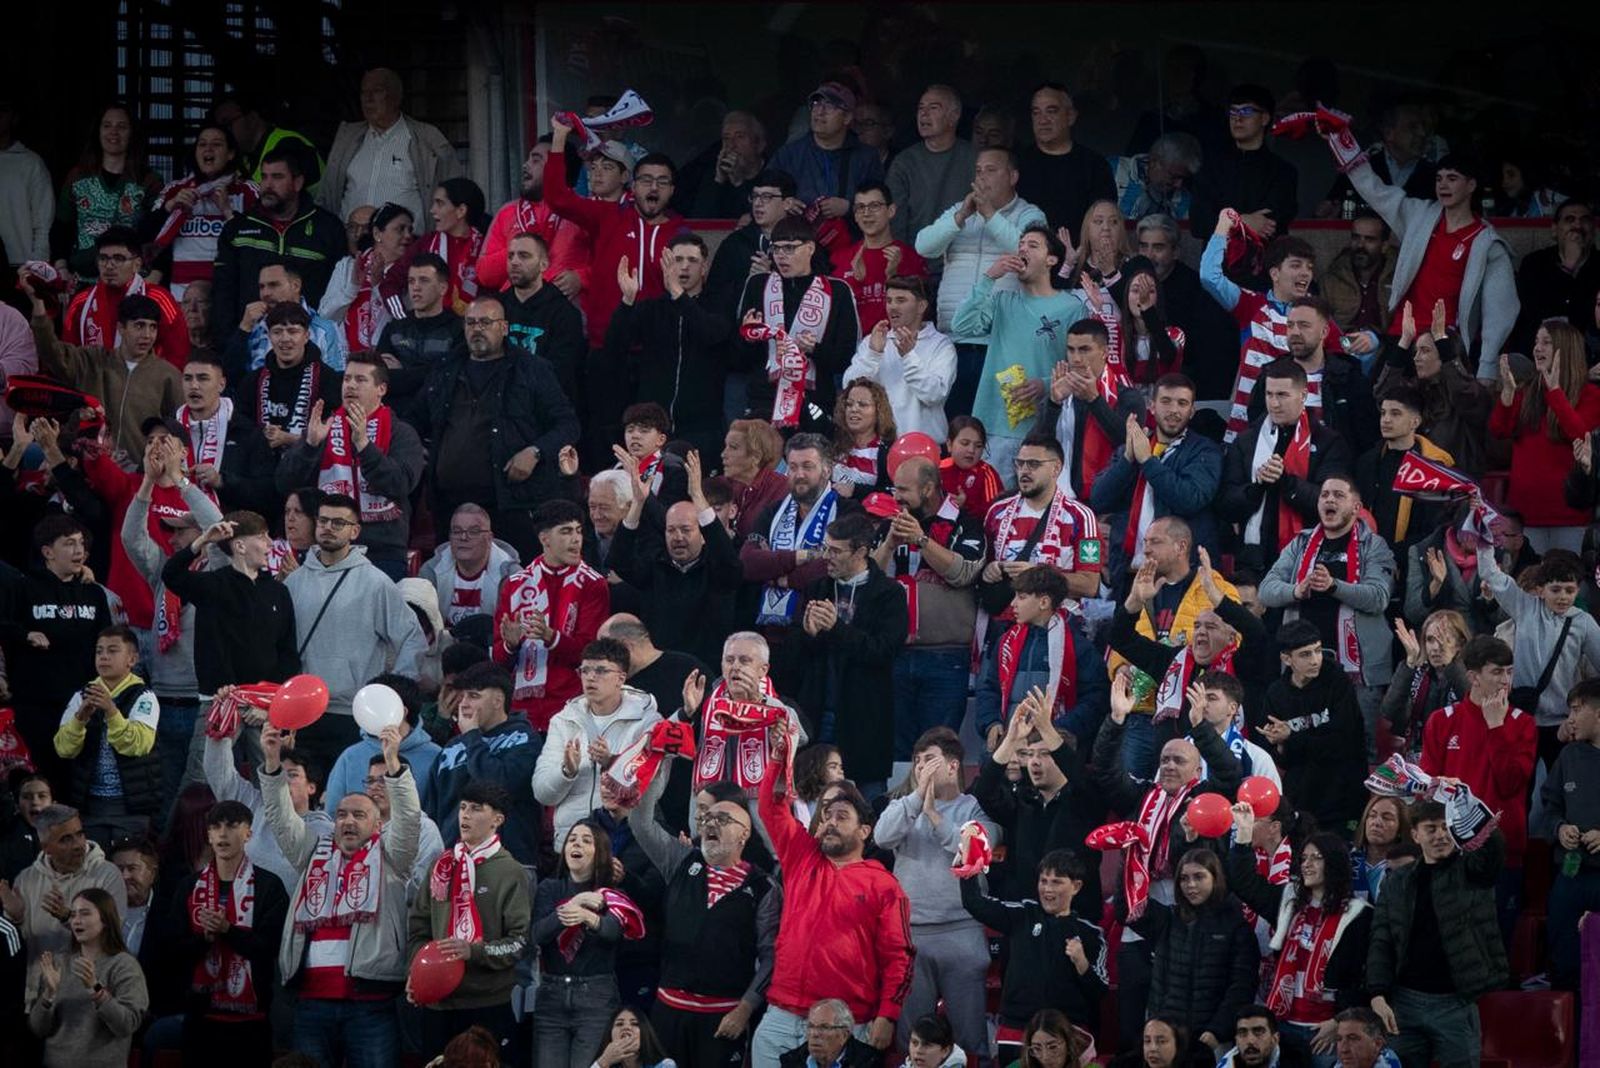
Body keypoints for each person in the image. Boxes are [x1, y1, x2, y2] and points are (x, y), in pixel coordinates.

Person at [1092, 672, 1243, 1049]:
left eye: (1179, 760)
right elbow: (1106, 774)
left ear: (1196, 768)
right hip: (1140, 911)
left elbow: (1230, 772)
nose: (1170, 766)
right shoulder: (1144, 795)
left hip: (1185, 912)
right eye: (1164, 760)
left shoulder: (1206, 796)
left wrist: (1202, 730)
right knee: (1131, 1017)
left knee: (1173, 1017)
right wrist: (1116, 721)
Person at [261, 721, 419, 1068]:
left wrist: (394, 765)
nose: (348, 821)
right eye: (341, 814)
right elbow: (280, 816)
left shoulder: (391, 856)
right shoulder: (311, 851)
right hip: (310, 1001)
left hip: (370, 1002)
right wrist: (273, 764)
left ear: (378, 824)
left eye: (359, 815)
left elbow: (408, 818)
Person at [751, 747, 913, 1065]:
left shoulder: (884, 884)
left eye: (842, 817)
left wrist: (888, 1015)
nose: (831, 822)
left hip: (848, 1022)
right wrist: (777, 760)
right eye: (827, 815)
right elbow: (771, 805)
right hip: (783, 1015)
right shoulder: (801, 857)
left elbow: (899, 957)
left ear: (865, 831)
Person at [1324, 137, 1517, 380]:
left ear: (1470, 185)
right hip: (1403, 335)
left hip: (1446, 342)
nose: (1443, 185)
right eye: (1439, 178)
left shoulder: (1487, 244)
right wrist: (1342, 142)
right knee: (1383, 402)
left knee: (1440, 412)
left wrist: (1487, 368)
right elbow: (1377, 193)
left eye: (1452, 178)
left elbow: (1499, 313)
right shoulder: (1420, 217)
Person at [629, 757, 774, 1068]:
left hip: (723, 1015)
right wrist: (660, 763)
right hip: (668, 1009)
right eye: (707, 818)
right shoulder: (680, 860)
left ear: (743, 835)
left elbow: (770, 955)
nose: (710, 823)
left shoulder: (763, 887)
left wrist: (745, 1009)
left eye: (722, 819)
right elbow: (640, 820)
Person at [417, 295, 581, 561]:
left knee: (513, 579)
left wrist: (535, 451)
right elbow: (416, 417)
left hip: (509, 503)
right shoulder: (445, 368)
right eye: (470, 323)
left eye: (485, 322)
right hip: (449, 502)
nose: (476, 329)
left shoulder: (532, 369)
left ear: (504, 328)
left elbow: (567, 424)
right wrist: (419, 452)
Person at [875, 729, 996, 1055]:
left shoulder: (974, 809)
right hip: (911, 936)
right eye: (916, 761)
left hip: (962, 932)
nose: (921, 768)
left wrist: (933, 815)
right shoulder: (903, 806)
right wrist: (917, 801)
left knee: (971, 1041)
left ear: (954, 766)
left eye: (930, 760)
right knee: (911, 1042)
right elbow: (882, 837)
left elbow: (972, 849)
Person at [283, 492, 426, 764]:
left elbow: (411, 637)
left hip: (354, 713)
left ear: (355, 531)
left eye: (338, 523)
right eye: (323, 520)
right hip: (302, 711)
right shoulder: (294, 582)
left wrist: (391, 695)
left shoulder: (376, 583)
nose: (328, 528)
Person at [1366, 800, 1506, 1068]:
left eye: (1446, 827)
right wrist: (1377, 993)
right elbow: (1381, 939)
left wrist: (1465, 802)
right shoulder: (1397, 880)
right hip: (1404, 1003)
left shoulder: (1472, 871)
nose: (1441, 835)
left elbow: (1493, 852)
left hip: (1455, 1001)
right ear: (1415, 835)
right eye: (1431, 829)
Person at [1259, 473, 1396, 748]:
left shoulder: (1374, 546)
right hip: (1303, 670)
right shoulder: (1300, 543)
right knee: (1301, 744)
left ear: (1356, 508)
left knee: (1359, 746)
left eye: (1338, 495)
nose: (1329, 499)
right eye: (1324, 495)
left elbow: (1379, 597)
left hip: (1358, 673)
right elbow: (1266, 590)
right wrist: (1296, 590)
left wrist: (1335, 586)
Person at [1228, 805, 1371, 1067]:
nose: (1307, 865)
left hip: (1326, 1031)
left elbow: (1361, 977)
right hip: (1283, 1025)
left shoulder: (1359, 915)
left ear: (1335, 863)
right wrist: (1244, 833)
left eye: (1316, 858)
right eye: (1304, 858)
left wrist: (1339, 1021)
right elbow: (1243, 881)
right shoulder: (1288, 902)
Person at [913, 147, 1047, 420]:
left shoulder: (1029, 214)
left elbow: (1028, 253)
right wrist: (960, 217)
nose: (982, 177)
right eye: (978, 170)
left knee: (996, 423)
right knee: (955, 423)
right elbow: (923, 246)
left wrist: (990, 215)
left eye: (991, 170)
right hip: (954, 337)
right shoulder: (960, 212)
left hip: (1003, 340)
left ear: (1012, 176)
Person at [1417, 635, 1535, 935]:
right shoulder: (1441, 721)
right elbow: (1428, 792)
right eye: (1497, 672)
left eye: (1509, 671)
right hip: (1452, 852)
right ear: (1473, 676)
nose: (1505, 680)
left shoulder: (1523, 723)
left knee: (1498, 939)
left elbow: (1510, 784)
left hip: (1504, 851)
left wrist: (1496, 728)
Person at [407, 780, 530, 1059]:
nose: (465, 815)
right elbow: (418, 928)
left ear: (497, 820)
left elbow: (519, 942)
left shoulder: (511, 872)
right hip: (437, 1003)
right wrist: (416, 973)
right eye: (462, 808)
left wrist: (473, 951)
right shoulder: (441, 866)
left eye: (476, 809)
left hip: (486, 1003)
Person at [952, 225, 1090, 474]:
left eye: (1033, 245)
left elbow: (1081, 366)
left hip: (1044, 427)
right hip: (993, 424)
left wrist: (1045, 384)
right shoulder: (1003, 301)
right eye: (1021, 245)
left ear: (1051, 260)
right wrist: (988, 278)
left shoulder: (1072, 308)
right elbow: (961, 324)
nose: (1023, 249)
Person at [870, 454, 983, 754]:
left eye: (904, 490)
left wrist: (921, 540)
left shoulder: (965, 523)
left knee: (939, 748)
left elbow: (964, 572)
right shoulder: (888, 527)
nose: (896, 497)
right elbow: (868, 581)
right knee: (897, 751)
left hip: (946, 657)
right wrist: (888, 546)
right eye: (895, 489)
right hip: (895, 654)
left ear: (929, 488)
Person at [546, 116, 688, 354]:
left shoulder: (681, 233)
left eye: (662, 182)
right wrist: (560, 136)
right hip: (606, 347)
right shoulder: (607, 216)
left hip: (660, 353)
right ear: (633, 185)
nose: (653, 188)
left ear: (672, 190)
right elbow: (557, 198)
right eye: (646, 180)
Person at [276, 351, 425, 578]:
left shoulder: (402, 433)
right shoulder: (323, 429)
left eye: (361, 380)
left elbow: (401, 483)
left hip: (382, 552)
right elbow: (284, 484)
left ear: (381, 389)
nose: (351, 386)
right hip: (327, 549)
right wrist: (310, 446)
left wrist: (364, 446)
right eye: (347, 379)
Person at [1202, 218, 1350, 444]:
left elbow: (1346, 352)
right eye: (1296, 265)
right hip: (1247, 435)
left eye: (1309, 267)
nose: (1305, 273)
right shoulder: (1250, 305)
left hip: (1301, 441)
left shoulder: (1318, 315)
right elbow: (1209, 277)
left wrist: (1369, 340)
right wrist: (1222, 225)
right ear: (1274, 273)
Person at [170, 799, 290, 1068]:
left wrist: (227, 931)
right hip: (200, 1019)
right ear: (209, 835)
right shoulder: (189, 887)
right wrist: (206, 939)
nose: (223, 833)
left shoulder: (269, 886)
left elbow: (269, 948)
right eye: (216, 826)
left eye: (233, 826)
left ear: (248, 833)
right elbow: (173, 949)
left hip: (252, 1021)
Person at [959, 843, 1106, 1059]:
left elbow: (1100, 993)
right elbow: (974, 903)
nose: (1047, 889)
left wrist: (1082, 963)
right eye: (1043, 881)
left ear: (1076, 886)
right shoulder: (1022, 915)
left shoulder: (1090, 934)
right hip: (1016, 1029)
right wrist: (969, 864)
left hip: (1066, 1032)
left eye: (1056, 882)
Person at [796, 512, 908, 791]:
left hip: (864, 715)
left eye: (835, 550)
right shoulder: (817, 588)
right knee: (811, 796)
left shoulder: (889, 593)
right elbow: (795, 654)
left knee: (867, 799)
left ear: (861, 551)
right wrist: (808, 636)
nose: (827, 556)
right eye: (825, 548)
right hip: (819, 710)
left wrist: (836, 628)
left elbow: (883, 651)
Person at [2, 516, 115, 788]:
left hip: (82, 703)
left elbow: (107, 640)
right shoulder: (23, 587)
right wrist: (25, 634)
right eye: (69, 544)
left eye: (81, 544)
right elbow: (3, 626)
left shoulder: (94, 594)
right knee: (44, 779)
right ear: (47, 552)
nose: (78, 551)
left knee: (80, 781)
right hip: (37, 705)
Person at [1478, 525, 1600, 770]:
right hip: (1522, 716)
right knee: (1518, 789)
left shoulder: (1583, 622)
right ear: (1541, 589)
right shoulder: (1524, 607)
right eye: (1555, 590)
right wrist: (1483, 534)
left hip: (1564, 724)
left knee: (1564, 791)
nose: (1563, 597)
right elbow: (1491, 573)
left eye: (1570, 591)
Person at [612, 449, 742, 670]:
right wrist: (638, 503)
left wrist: (699, 498)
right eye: (671, 530)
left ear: (703, 535)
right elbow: (619, 560)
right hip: (660, 671)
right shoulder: (655, 565)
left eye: (686, 529)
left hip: (706, 671)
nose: (678, 537)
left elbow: (728, 559)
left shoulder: (718, 571)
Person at [1220, 360, 1353, 574]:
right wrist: (1257, 487)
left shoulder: (1329, 442)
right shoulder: (1246, 441)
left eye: (1282, 395)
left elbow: (1331, 504)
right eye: (1269, 394)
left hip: (1308, 559)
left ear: (1303, 395)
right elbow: (1226, 504)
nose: (1274, 403)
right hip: (1252, 561)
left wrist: (1286, 482)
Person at [608, 233, 732, 462]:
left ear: (704, 267)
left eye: (692, 261)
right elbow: (615, 346)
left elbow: (711, 334)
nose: (684, 267)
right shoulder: (652, 308)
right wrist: (627, 301)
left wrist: (678, 295)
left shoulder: (719, 305)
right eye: (677, 260)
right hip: (654, 428)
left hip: (702, 427)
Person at [1126, 848, 1259, 1058]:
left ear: (1215, 878)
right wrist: (1130, 857)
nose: (1191, 885)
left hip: (1211, 1039)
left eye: (1199, 877)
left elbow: (1242, 986)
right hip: (1167, 1035)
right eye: (1184, 879)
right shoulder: (1168, 919)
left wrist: (1218, 1030)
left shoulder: (1236, 927)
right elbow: (1127, 908)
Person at [25, 281, 181, 460]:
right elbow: (50, 352)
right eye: (139, 326)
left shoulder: (168, 375)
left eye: (152, 327)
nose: (147, 335)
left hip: (139, 477)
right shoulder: (91, 360)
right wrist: (38, 306)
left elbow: (179, 431)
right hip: (88, 467)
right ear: (121, 328)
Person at [492, 498, 611, 730]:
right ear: (544, 538)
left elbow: (590, 652)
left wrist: (550, 636)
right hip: (521, 710)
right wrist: (510, 644)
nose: (576, 539)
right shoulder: (515, 585)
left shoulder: (593, 585)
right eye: (566, 532)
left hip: (571, 706)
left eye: (578, 531)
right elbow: (497, 659)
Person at [1091, 374, 1220, 590]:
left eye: (1182, 403)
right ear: (1152, 406)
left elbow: (1189, 499)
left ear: (1192, 411)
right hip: (1129, 572)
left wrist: (1147, 461)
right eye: (1166, 401)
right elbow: (1099, 500)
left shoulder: (1205, 451)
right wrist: (1127, 460)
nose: (1173, 410)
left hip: (1181, 577)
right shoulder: (1130, 449)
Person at [735, 216, 861, 432]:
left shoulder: (838, 291)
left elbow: (847, 357)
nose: (781, 256)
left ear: (810, 248)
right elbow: (737, 358)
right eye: (776, 248)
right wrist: (749, 338)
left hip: (814, 400)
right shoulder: (758, 285)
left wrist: (814, 350)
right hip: (764, 400)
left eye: (790, 248)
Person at [534, 637, 662, 848]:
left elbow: (653, 788)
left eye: (601, 670)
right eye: (585, 670)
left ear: (621, 678)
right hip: (572, 841)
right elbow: (543, 793)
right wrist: (567, 771)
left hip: (625, 840)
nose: (591, 677)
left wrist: (611, 762)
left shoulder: (648, 721)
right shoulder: (563, 720)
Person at [532, 820, 640, 1068]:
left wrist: (590, 918)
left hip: (596, 996)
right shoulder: (550, 888)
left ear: (599, 852)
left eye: (586, 840)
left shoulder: (611, 893)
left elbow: (615, 931)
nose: (576, 843)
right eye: (572, 839)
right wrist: (573, 906)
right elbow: (537, 934)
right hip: (552, 995)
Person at [211, 146, 346, 343]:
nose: (268, 185)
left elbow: (338, 292)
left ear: (298, 182)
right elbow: (223, 292)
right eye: (264, 177)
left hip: (310, 343)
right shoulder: (237, 229)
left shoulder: (327, 228)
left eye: (277, 177)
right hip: (250, 343)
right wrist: (230, 343)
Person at [1490, 320, 1600, 551]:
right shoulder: (1529, 393)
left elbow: (1580, 435)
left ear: (1565, 349)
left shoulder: (1590, 394)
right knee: (1529, 583)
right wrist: (1508, 395)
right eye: (1536, 342)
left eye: (1546, 343)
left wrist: (1556, 393)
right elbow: (1499, 431)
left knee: (1567, 585)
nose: (1537, 348)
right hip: (1525, 516)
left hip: (1570, 517)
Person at [1254, 620, 1370, 836]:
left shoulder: (1338, 682)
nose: (1316, 660)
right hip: (1302, 800)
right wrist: (1278, 745)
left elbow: (1345, 741)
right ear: (1286, 659)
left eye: (1317, 651)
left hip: (1343, 798)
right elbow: (1276, 754)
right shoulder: (1276, 694)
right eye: (1306, 654)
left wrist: (1290, 738)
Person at [973, 565, 1106, 752]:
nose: (1013, 604)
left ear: (1043, 602)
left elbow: (1094, 699)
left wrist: (1061, 729)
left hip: (1052, 747)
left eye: (1021, 597)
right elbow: (989, 688)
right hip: (1008, 743)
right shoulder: (1005, 642)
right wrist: (991, 722)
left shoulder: (1078, 646)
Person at [51, 625, 162, 846]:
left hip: (131, 807)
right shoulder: (81, 696)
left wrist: (111, 711)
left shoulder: (145, 697)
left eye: (112, 651)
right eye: (99, 651)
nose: (103, 656)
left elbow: (138, 745)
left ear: (132, 659)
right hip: (89, 806)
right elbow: (63, 749)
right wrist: (80, 719)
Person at [427, 662, 544, 866]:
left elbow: (498, 786)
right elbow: (432, 808)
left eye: (473, 696)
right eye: (462, 696)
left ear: (498, 700)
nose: (463, 704)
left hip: (508, 864)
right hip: (452, 862)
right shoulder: (451, 748)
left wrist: (472, 737)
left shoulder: (524, 739)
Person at [202, 713, 331, 892]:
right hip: (244, 910)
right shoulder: (253, 805)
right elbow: (220, 776)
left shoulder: (324, 829)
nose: (283, 780)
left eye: (292, 775)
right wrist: (222, 726)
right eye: (279, 773)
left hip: (290, 914)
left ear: (311, 787)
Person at [1, 805, 127, 989]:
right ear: (46, 847)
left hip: (91, 990)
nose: (78, 844)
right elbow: (23, 946)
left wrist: (68, 917)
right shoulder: (26, 880)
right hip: (41, 991)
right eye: (66, 839)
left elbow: (112, 935)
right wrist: (15, 917)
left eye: (80, 834)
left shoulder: (107, 875)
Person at [977, 433, 1102, 618]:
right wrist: (988, 570)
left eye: (1034, 464)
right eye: (1020, 463)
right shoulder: (997, 512)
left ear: (1056, 468)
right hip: (1003, 625)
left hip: (1055, 627)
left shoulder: (1082, 517)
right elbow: (980, 566)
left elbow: (1090, 585)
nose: (1024, 471)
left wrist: (1039, 576)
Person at [318, 68, 460, 226]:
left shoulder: (427, 139)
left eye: (377, 91)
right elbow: (327, 194)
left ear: (396, 98)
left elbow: (454, 195)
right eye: (364, 92)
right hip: (351, 244)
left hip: (407, 246)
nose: (368, 99)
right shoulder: (347, 138)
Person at [25, 888, 149, 1068]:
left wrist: (96, 989)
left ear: (105, 920)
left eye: (85, 914)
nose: (76, 921)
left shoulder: (124, 965)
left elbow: (127, 1025)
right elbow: (38, 1029)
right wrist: (48, 996)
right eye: (73, 915)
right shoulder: (60, 962)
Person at [1250, 297, 1379, 456]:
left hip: (1335, 469)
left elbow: (1366, 439)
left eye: (1304, 325)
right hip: (1280, 468)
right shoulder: (1270, 374)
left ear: (1324, 332)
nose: (1295, 332)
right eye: (1290, 325)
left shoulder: (1349, 377)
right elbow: (1255, 431)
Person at [147, 124, 260, 299]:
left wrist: (228, 212)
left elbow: (259, 243)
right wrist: (170, 206)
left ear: (230, 154)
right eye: (202, 144)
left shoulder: (248, 191)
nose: (208, 149)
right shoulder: (175, 189)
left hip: (229, 293)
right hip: (181, 296)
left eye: (216, 144)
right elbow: (146, 233)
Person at [52, 226, 187, 369]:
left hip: (144, 388)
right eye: (103, 258)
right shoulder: (81, 302)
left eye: (119, 258)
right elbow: (69, 356)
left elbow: (178, 354)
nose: (109, 266)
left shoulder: (159, 299)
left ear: (137, 264)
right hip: (92, 387)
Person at [843, 276, 955, 442]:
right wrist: (873, 354)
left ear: (921, 306)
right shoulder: (874, 341)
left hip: (923, 446)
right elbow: (849, 388)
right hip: (877, 446)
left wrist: (909, 356)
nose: (892, 307)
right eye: (889, 301)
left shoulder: (941, 345)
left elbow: (934, 394)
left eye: (901, 300)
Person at [1044, 316, 1144, 500]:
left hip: (1109, 503)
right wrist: (1053, 404)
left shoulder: (1128, 396)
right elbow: (1037, 446)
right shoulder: (1060, 392)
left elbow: (1129, 444)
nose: (1076, 359)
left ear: (1104, 352)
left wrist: (1094, 400)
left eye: (1084, 350)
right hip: (1058, 500)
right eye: (1071, 350)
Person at [55, 105, 161, 277]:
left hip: (131, 279)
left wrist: (155, 273)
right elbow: (61, 226)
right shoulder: (78, 177)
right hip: (83, 277)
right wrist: (61, 268)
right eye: (107, 125)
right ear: (98, 132)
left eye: (121, 126)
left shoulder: (148, 180)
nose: (114, 131)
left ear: (132, 133)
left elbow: (158, 231)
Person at [475, 137, 589, 296]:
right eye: (528, 159)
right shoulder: (508, 212)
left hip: (566, 308)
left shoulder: (583, 211)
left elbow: (610, 261)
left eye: (536, 160)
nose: (525, 165)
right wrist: (521, 247)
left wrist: (581, 278)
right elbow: (484, 275)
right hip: (516, 309)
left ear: (558, 168)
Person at [1353, 385, 1453, 563]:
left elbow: (1432, 529)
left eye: (1395, 414)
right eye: (1383, 413)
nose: (1386, 420)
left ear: (1415, 422)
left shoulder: (1433, 468)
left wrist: (1390, 555)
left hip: (1412, 562)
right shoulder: (1366, 463)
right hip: (1365, 559)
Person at [1545, 679, 1600, 992]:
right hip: (1570, 870)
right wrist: (1559, 828)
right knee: (1564, 962)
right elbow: (1550, 809)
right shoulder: (1568, 757)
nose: (1570, 719)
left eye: (1577, 710)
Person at [322, 674, 441, 815]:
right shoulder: (351, 756)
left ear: (402, 712)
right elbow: (332, 813)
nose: (369, 712)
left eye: (377, 706)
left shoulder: (435, 756)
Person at [1190, 85, 1298, 240]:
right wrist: (1240, 222)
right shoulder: (1210, 168)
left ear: (1265, 118)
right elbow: (1199, 224)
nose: (1237, 118)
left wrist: (1224, 223)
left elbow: (1270, 225)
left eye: (1246, 111)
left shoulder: (1283, 172)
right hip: (1217, 261)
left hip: (1264, 260)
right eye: (1233, 111)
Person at [239, 301, 344, 453]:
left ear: (306, 336)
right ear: (269, 336)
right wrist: (261, 434)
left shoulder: (328, 380)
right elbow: (240, 427)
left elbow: (337, 435)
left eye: (292, 331)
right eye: (277, 332)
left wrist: (291, 439)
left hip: (312, 469)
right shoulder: (253, 381)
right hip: (260, 469)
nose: (285, 338)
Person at [1015, 84, 1116, 240]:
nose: (1043, 120)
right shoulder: (1017, 163)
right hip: (1024, 257)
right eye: (1036, 113)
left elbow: (1105, 222)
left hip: (1079, 257)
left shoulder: (1094, 165)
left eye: (1051, 111)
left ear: (1071, 116)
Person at [498, 230, 585, 404]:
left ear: (544, 265)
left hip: (545, 407)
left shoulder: (565, 313)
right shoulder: (496, 307)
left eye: (524, 256)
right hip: (501, 403)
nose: (514, 262)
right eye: (510, 256)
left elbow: (561, 373)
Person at [768, 82, 886, 210]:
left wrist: (849, 207)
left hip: (850, 229)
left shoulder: (866, 157)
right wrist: (784, 203)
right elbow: (764, 195)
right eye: (816, 103)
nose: (819, 111)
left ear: (847, 117)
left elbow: (879, 204)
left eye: (829, 105)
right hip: (800, 229)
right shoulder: (788, 155)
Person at [375, 252, 464, 419]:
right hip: (393, 420)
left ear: (443, 288)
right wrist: (428, 371)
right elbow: (379, 378)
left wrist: (403, 371)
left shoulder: (458, 330)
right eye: (411, 281)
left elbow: (446, 379)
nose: (415, 287)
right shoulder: (394, 328)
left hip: (436, 422)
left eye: (424, 280)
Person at [318, 201, 414, 354]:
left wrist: (378, 287)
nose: (408, 236)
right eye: (400, 229)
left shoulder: (410, 273)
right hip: (341, 357)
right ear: (377, 234)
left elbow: (403, 322)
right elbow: (326, 317)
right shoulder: (348, 266)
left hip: (383, 358)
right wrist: (352, 288)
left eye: (410, 229)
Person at [887, 86, 976, 244]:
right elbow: (895, 220)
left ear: (954, 116)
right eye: (920, 108)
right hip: (915, 260)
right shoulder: (904, 162)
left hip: (964, 258)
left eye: (933, 108)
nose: (924, 113)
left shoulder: (976, 159)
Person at [228, 261, 348, 377]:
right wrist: (243, 329)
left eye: (273, 285)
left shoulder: (324, 330)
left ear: (296, 286)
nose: (265, 293)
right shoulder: (252, 326)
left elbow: (338, 380)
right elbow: (230, 375)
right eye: (262, 287)